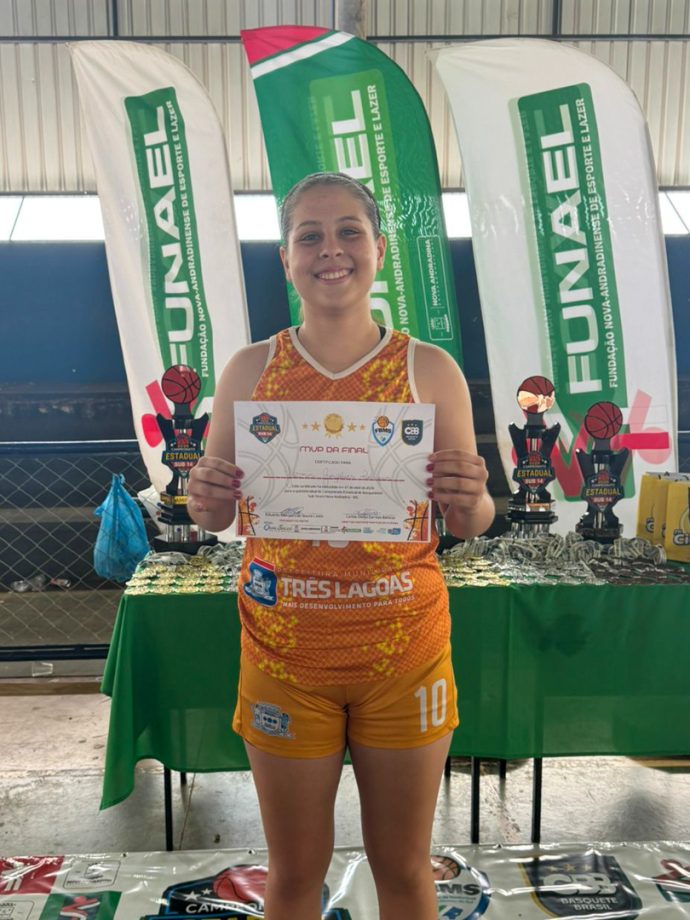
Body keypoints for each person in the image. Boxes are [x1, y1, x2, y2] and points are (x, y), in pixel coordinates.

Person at [187, 172, 495, 920]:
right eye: (310, 236)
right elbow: (217, 516)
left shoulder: (429, 369)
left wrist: (472, 497)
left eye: (350, 231)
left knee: (405, 870)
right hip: (284, 659)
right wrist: (204, 495)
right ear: (286, 258)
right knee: (294, 875)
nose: (332, 250)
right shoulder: (250, 370)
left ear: (379, 249)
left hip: (404, 651)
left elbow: (470, 521)